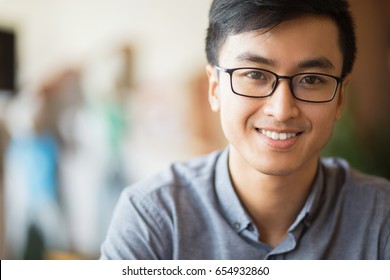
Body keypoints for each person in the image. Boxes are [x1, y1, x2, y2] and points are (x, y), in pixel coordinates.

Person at [100, 0, 390, 260]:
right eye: (255, 75)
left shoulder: (381, 217)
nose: (282, 109)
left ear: (340, 98)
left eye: (311, 80)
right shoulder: (155, 217)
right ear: (215, 89)